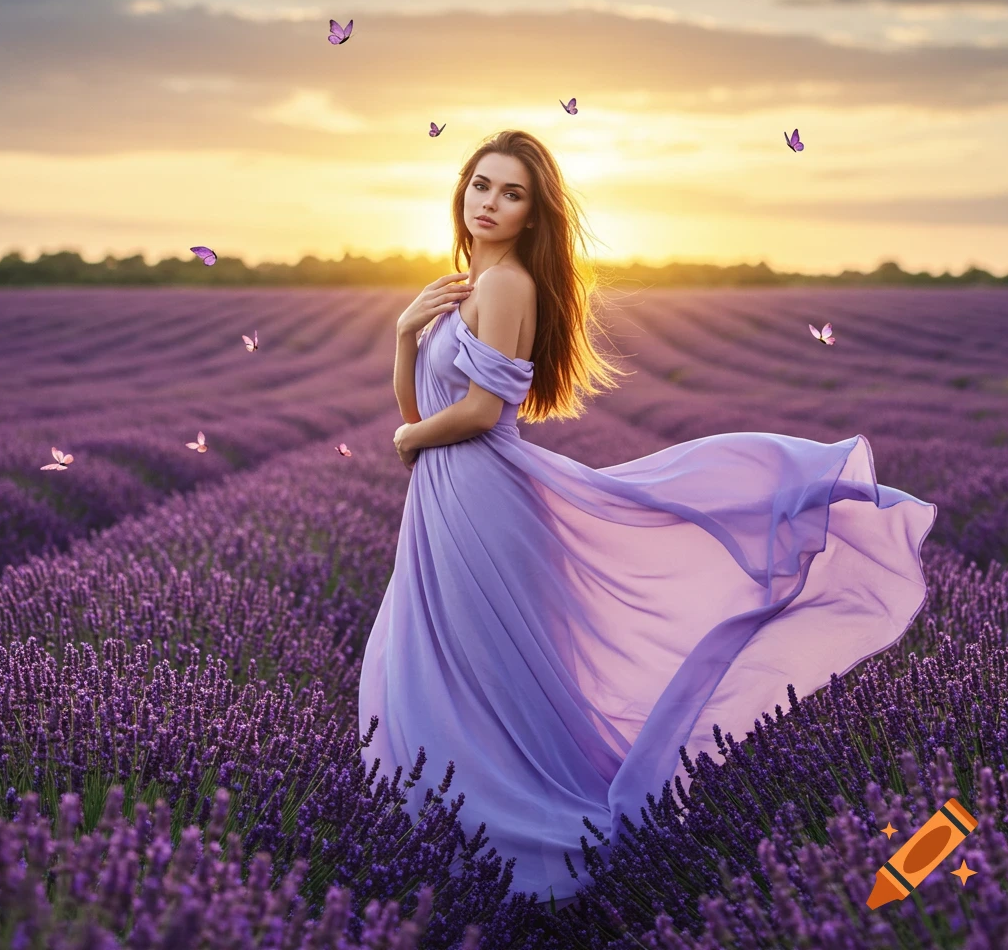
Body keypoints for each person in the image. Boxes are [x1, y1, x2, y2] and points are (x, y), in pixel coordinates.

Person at [358, 129, 938, 910]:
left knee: (476, 670)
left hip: (477, 499)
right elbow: (420, 405)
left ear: (534, 215)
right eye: (481, 186)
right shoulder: (464, 287)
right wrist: (403, 335)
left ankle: (509, 852)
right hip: (446, 496)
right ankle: (470, 843)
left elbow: (478, 411)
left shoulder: (506, 287)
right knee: (459, 667)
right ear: (460, 192)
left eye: (512, 193)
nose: (490, 203)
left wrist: (407, 441)